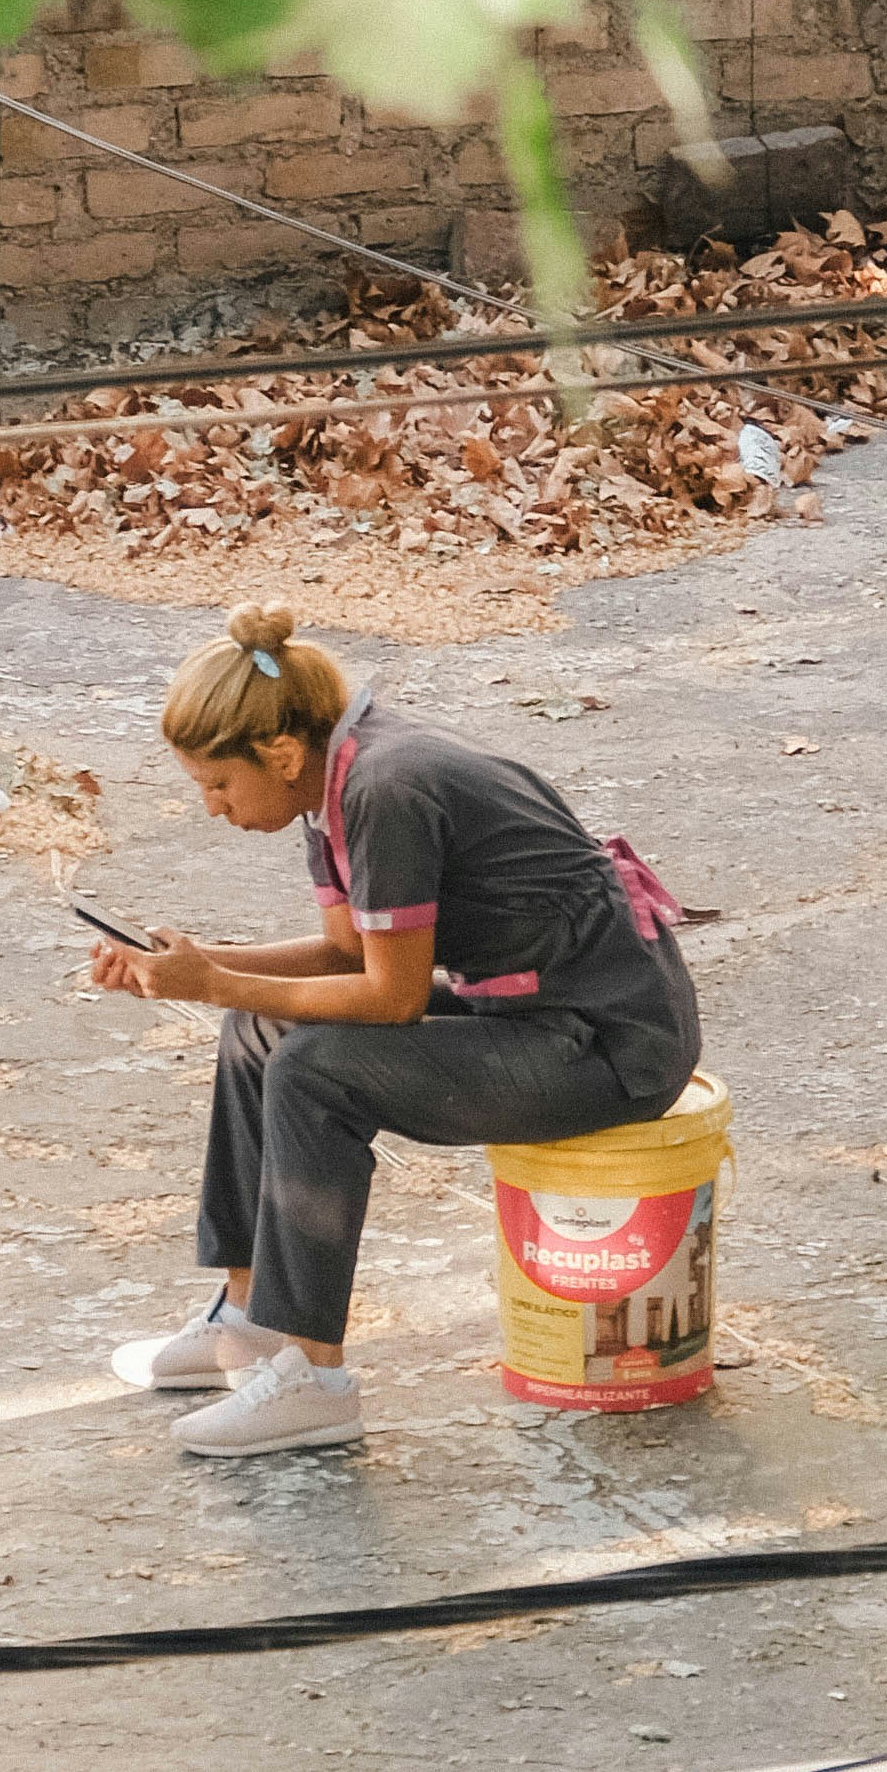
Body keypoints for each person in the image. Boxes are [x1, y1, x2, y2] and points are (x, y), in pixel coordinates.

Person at [88, 601, 704, 1458]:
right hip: (525, 1013)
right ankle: (250, 1322)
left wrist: (214, 978)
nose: (211, 807)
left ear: (280, 752)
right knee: (255, 1030)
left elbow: (391, 997)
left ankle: (314, 1380)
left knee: (312, 1068)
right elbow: (350, 951)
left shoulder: (386, 786)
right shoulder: (334, 780)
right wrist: (189, 966)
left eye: (218, 784)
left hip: (609, 1042)